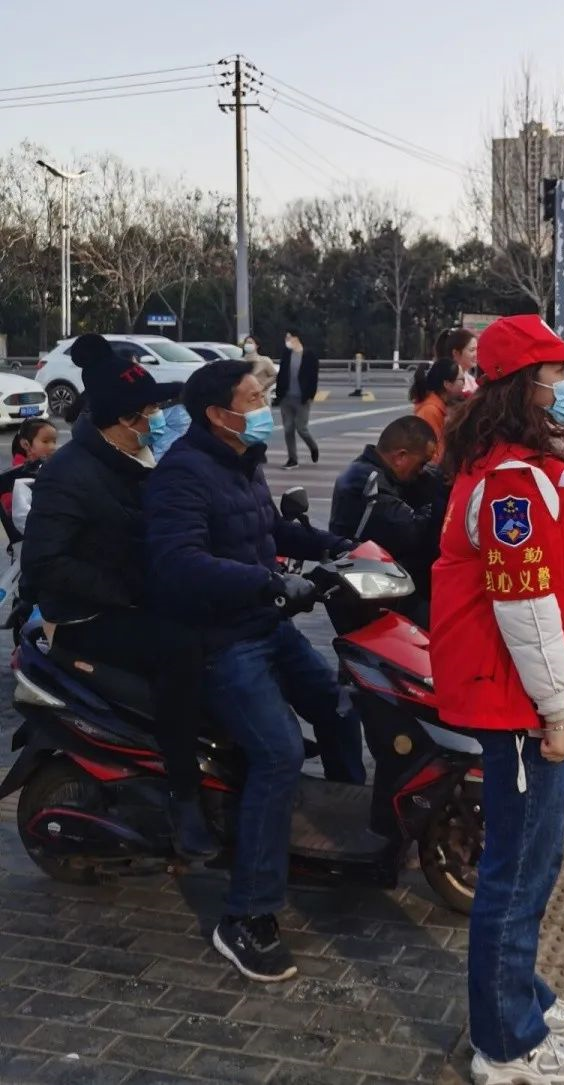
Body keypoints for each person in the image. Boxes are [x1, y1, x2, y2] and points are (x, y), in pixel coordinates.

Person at [431, 314, 564, 1085]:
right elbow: (526, 606)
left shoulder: (526, 463)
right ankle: (505, 1042)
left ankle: (524, 994)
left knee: (532, 869)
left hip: (525, 693)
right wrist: (556, 712)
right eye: (558, 372)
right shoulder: (512, 480)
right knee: (514, 875)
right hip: (517, 703)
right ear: (523, 385)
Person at [143, 359, 367, 984]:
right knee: (278, 753)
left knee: (340, 706)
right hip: (222, 640)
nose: (264, 404)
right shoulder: (183, 475)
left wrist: (335, 547)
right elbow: (179, 563)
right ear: (219, 414)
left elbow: (270, 529)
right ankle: (246, 915)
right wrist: (268, 583)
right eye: (253, 397)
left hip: (267, 625)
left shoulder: (244, 460)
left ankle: (349, 837)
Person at [19, 334, 217, 861]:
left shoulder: (136, 459)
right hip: (85, 616)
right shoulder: (70, 474)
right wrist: (128, 590)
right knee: (181, 648)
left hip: (134, 597)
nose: (156, 419)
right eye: (147, 412)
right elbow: (44, 563)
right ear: (120, 419)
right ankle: (183, 793)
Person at [329, 416, 446, 605]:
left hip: (379, 583)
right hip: (366, 592)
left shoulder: (380, 474)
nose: (421, 470)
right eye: (421, 463)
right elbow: (411, 530)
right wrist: (443, 505)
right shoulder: (367, 480)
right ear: (401, 457)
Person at [2, 419, 58, 532]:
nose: (52, 447)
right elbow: (11, 509)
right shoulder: (15, 476)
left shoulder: (46, 467)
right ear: (26, 444)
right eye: (46, 441)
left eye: (54, 441)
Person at [276, 329, 320, 470]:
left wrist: (310, 395)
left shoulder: (309, 355)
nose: (287, 340)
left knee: (301, 428)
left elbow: (313, 377)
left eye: (289, 337)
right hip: (286, 397)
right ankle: (292, 459)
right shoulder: (286, 354)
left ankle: (313, 447)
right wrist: (279, 394)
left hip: (302, 398)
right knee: (288, 428)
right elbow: (282, 374)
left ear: (297, 338)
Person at [408, 358, 466, 461]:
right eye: (462, 380)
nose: (464, 384)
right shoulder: (430, 411)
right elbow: (433, 455)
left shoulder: (441, 407)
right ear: (447, 384)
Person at [434, 327, 480, 395]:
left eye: (477, 349)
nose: (476, 354)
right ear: (456, 353)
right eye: (472, 350)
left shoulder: (471, 380)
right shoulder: (445, 382)